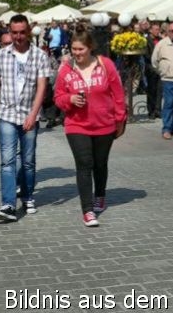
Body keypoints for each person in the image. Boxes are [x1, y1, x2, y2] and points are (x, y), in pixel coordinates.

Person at [54, 31, 126, 227]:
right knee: (84, 164)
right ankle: (87, 210)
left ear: (90, 47)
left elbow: (118, 94)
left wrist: (120, 119)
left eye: (81, 49)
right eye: (73, 49)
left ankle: (100, 195)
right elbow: (58, 97)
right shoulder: (66, 69)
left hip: (104, 123)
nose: (77, 53)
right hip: (77, 125)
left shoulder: (105, 65)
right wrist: (69, 99)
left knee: (100, 164)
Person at [0, 14, 51, 222]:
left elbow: (42, 87)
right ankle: (8, 204)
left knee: (28, 161)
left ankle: (28, 196)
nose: (18, 36)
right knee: (8, 161)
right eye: (14, 32)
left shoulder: (40, 56)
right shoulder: (1, 55)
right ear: (9, 32)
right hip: (6, 114)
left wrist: (33, 114)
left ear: (29, 31)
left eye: (22, 32)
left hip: (29, 113)